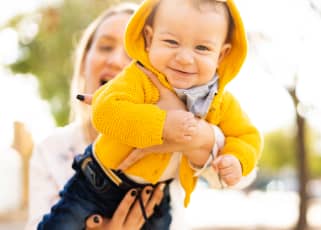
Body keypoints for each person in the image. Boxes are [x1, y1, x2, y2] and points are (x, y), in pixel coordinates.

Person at [38, 0, 262, 229]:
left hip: (154, 198)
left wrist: (236, 159)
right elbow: (105, 110)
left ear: (222, 55)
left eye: (202, 48)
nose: (185, 57)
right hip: (98, 185)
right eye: (171, 42)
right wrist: (163, 124)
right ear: (148, 40)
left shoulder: (219, 99)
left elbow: (247, 137)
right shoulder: (139, 78)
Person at [25, 3, 166, 230]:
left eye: (133, 54)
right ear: (84, 62)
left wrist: (199, 138)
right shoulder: (51, 150)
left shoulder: (171, 144)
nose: (116, 61)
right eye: (105, 47)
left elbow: (239, 176)